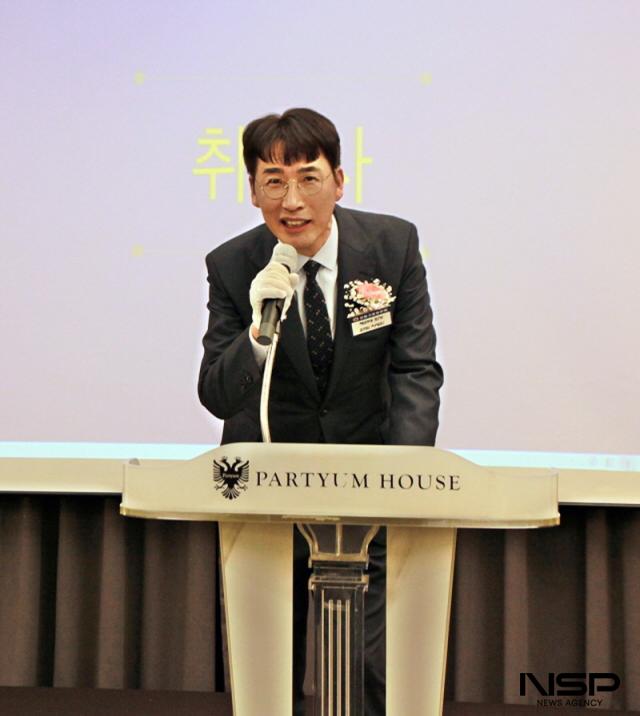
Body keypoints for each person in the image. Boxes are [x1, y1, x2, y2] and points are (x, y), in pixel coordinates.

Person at [198, 108, 443, 716]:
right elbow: (217, 393)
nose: (292, 201)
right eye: (274, 181)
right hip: (268, 489)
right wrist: (257, 334)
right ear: (252, 190)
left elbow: (414, 369)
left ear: (338, 180)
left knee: (370, 663)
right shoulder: (232, 265)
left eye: (308, 178)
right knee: (268, 663)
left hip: (370, 487)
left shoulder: (392, 245)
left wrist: (401, 478)